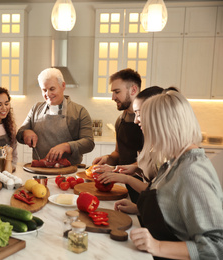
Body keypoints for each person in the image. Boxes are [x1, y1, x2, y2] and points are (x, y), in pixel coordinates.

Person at [114, 91, 223, 259]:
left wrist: (157, 246)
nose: (140, 126)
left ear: (164, 126)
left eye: (146, 123)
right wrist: (139, 209)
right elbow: (174, 208)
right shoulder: (174, 161)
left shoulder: (192, 171)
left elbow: (216, 246)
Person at [97, 86, 178, 193]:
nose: (135, 121)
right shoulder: (158, 144)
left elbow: (163, 193)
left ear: (155, 114)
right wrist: (136, 169)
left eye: (139, 114)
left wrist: (127, 178)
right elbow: (156, 182)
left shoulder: (175, 152)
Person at [16, 68, 94, 165]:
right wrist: (25, 132)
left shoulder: (79, 111)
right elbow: (19, 134)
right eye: (44, 90)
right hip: (39, 170)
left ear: (63, 86)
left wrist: (66, 146)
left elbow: (89, 143)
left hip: (69, 172)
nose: (48, 94)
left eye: (52, 89)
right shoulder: (36, 109)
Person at [92, 68, 143, 203]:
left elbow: (152, 162)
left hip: (143, 188)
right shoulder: (120, 120)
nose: (113, 97)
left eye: (117, 92)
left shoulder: (148, 121)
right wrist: (107, 159)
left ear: (133, 90)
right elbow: (118, 153)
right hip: (123, 186)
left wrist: (117, 170)